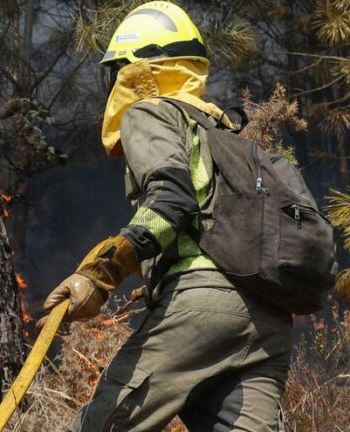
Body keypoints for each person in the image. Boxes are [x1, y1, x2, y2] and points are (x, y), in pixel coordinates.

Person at [37, 2, 291, 431]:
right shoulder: (220, 130)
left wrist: (103, 273)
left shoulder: (151, 111)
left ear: (137, 69)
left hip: (204, 309)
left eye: (117, 69)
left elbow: (171, 201)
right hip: (268, 318)